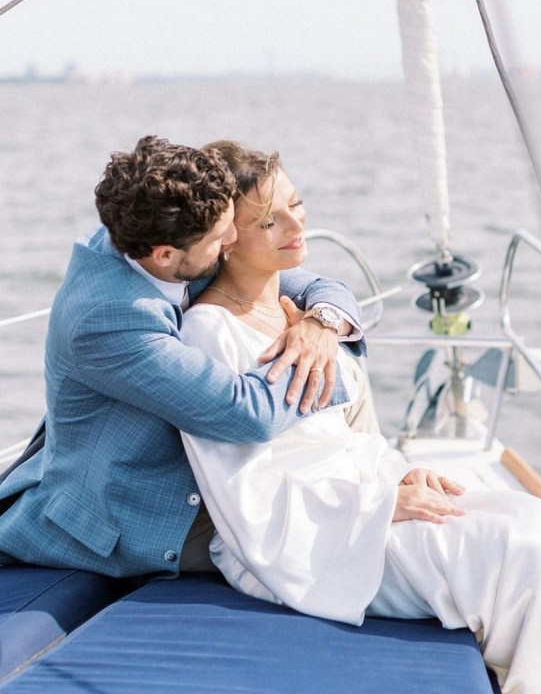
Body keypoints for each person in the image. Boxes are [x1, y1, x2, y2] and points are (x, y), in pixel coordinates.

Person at [179, 140, 541, 694]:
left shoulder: (302, 311)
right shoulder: (209, 333)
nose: (295, 223)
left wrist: (397, 476)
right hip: (311, 540)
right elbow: (243, 491)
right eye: (270, 219)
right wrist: (379, 505)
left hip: (364, 495)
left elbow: (341, 437)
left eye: (297, 202)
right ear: (226, 236)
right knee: (522, 552)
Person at [0, 136, 364, 577]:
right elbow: (245, 414)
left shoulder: (162, 229)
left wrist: (320, 326)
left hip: (202, 463)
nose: (232, 239)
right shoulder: (110, 320)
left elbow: (320, 287)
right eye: (220, 238)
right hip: (137, 514)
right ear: (166, 256)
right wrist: (332, 368)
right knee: (353, 536)